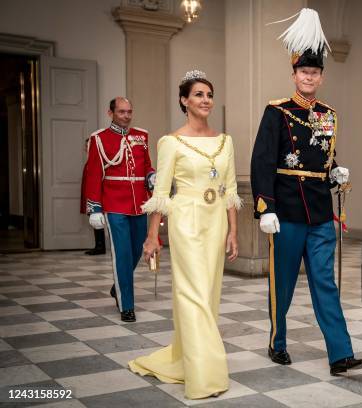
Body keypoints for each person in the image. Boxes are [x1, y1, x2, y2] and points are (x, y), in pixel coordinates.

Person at [251, 8, 362, 376]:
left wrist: (336, 174)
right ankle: (277, 342)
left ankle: (340, 354)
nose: (309, 77)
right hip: (285, 212)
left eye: (315, 72)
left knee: (324, 283)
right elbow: (262, 161)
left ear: (321, 76)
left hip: (318, 212)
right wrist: (265, 207)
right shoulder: (277, 112)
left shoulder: (328, 115)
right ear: (294, 75)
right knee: (282, 284)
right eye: (304, 72)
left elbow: (324, 160)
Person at [128, 70, 241, 400]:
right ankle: (205, 374)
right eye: (198, 95)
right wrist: (153, 236)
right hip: (186, 220)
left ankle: (185, 358)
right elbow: (161, 193)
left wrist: (234, 230)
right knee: (191, 294)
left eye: (209, 95)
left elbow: (230, 189)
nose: (205, 100)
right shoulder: (170, 142)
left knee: (208, 295)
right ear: (184, 100)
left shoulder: (225, 141)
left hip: (216, 221)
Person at [84, 97, 155, 322]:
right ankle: (127, 305)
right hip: (114, 204)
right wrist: (94, 207)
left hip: (139, 203)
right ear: (111, 113)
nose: (126, 115)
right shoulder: (99, 139)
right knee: (122, 254)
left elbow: (146, 166)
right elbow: (94, 174)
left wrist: (153, 177)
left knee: (137, 250)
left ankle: (119, 284)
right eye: (122, 111)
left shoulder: (141, 136)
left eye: (129, 111)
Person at [80, 138, 106, 256]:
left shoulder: (97, 161)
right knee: (94, 220)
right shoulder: (89, 160)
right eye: (86, 146)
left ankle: (101, 247)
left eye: (88, 146)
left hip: (97, 197)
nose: (86, 148)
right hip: (90, 194)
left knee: (98, 220)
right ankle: (98, 245)